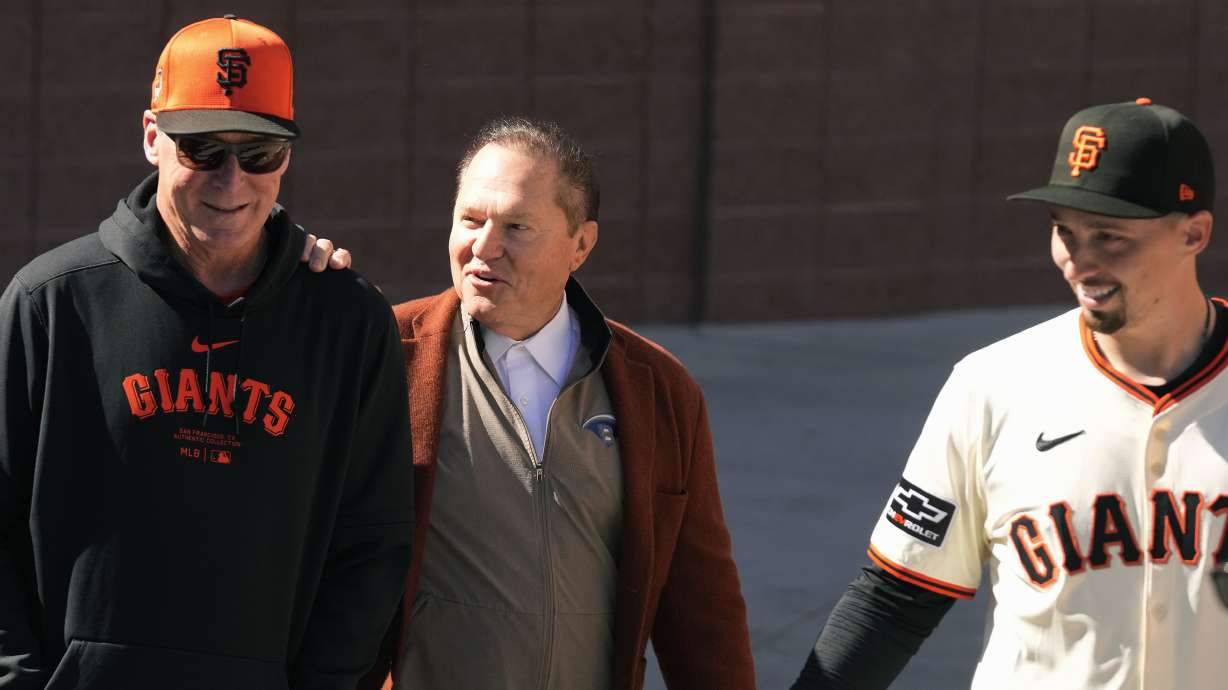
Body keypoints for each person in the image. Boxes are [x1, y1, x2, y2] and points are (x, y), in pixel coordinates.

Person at [0, 16, 412, 689]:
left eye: (259, 154)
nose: (231, 181)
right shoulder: (52, 303)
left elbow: (371, 544)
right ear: (151, 137)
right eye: (202, 150)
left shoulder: (347, 321)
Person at [791, 97, 1228, 689]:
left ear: (1194, 233)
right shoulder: (994, 385)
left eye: (1110, 237)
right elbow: (897, 597)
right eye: (1064, 232)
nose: (1079, 261)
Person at [356, 117, 755, 690]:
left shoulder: (658, 390)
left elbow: (703, 608)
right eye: (470, 219)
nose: (484, 247)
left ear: (581, 245)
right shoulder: (385, 357)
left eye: (517, 226)